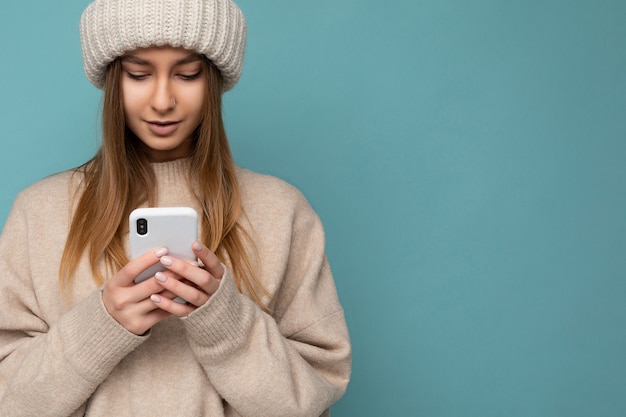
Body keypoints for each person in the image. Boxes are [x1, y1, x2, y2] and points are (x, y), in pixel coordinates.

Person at [0, 0, 351, 416]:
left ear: (214, 81)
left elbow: (311, 402)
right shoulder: (38, 213)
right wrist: (101, 326)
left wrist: (225, 324)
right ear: (114, 80)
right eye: (138, 74)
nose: (162, 100)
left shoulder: (281, 210)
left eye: (187, 74)